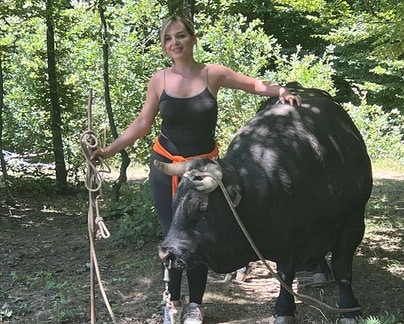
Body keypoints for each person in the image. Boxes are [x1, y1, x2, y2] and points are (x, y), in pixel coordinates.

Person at [91, 14, 301, 324]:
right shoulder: (159, 79)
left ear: (193, 38)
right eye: (167, 39)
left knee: (200, 236)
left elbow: (254, 85)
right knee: (172, 234)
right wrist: (107, 150)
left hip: (205, 173)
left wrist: (279, 90)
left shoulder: (212, 74)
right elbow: (142, 123)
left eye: (180, 36)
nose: (174, 42)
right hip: (165, 168)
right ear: (164, 46)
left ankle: (195, 306)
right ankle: (173, 301)